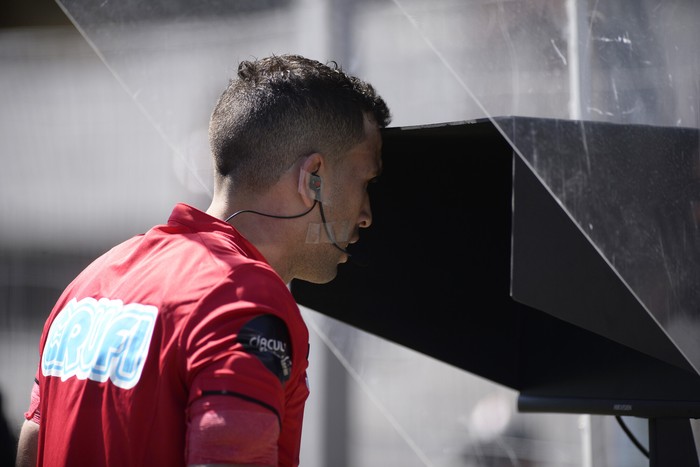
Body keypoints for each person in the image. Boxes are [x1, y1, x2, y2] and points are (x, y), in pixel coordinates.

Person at [15, 53, 391, 467]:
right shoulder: (243, 299)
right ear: (313, 179)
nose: (367, 214)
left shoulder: (89, 283)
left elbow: (33, 443)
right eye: (366, 181)